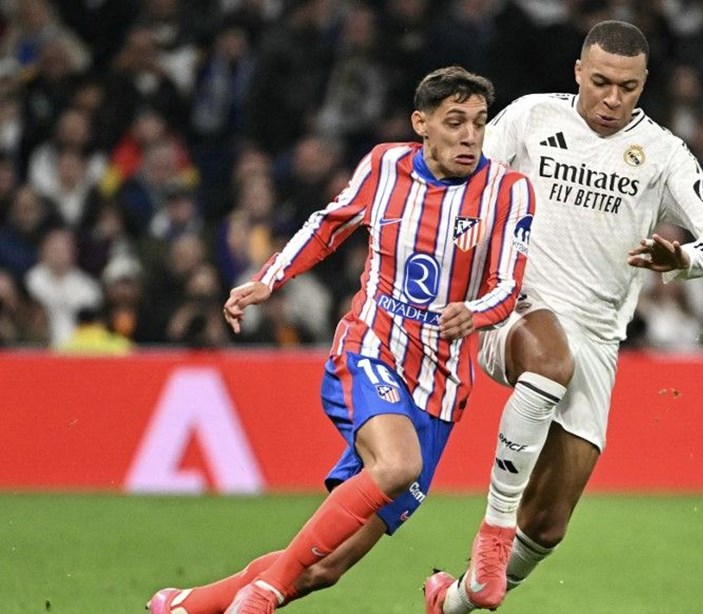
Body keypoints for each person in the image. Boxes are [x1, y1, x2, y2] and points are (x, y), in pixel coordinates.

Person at [146, 65, 536, 614]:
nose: (470, 136)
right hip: (370, 350)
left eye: (479, 122)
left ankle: (185, 605)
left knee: (325, 566)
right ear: (421, 124)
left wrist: (473, 312)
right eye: (455, 122)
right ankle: (261, 596)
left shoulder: (508, 191)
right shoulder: (384, 166)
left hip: (440, 390)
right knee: (397, 465)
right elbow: (329, 224)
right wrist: (269, 278)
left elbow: (507, 286)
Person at [423, 20, 703, 613]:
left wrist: (685, 258)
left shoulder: (664, 154)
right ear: (577, 72)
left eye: (628, 87)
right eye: (600, 83)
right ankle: (492, 531)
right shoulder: (531, 117)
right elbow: (463, 179)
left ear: (644, 84)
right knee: (549, 359)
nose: (612, 99)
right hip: (515, 306)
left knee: (547, 525)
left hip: (597, 336)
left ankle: (455, 600)